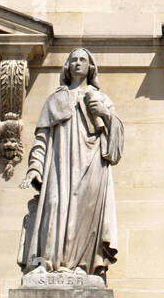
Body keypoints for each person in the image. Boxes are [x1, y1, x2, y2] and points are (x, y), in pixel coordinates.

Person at [19, 48, 124, 280]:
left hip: (93, 163)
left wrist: (105, 115)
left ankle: (81, 265)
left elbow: (116, 145)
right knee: (55, 204)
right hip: (60, 165)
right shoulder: (55, 100)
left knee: (84, 211)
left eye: (83, 60)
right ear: (67, 66)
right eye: (73, 59)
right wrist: (35, 167)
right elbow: (42, 139)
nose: (77, 63)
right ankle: (48, 263)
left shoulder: (101, 98)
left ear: (90, 67)